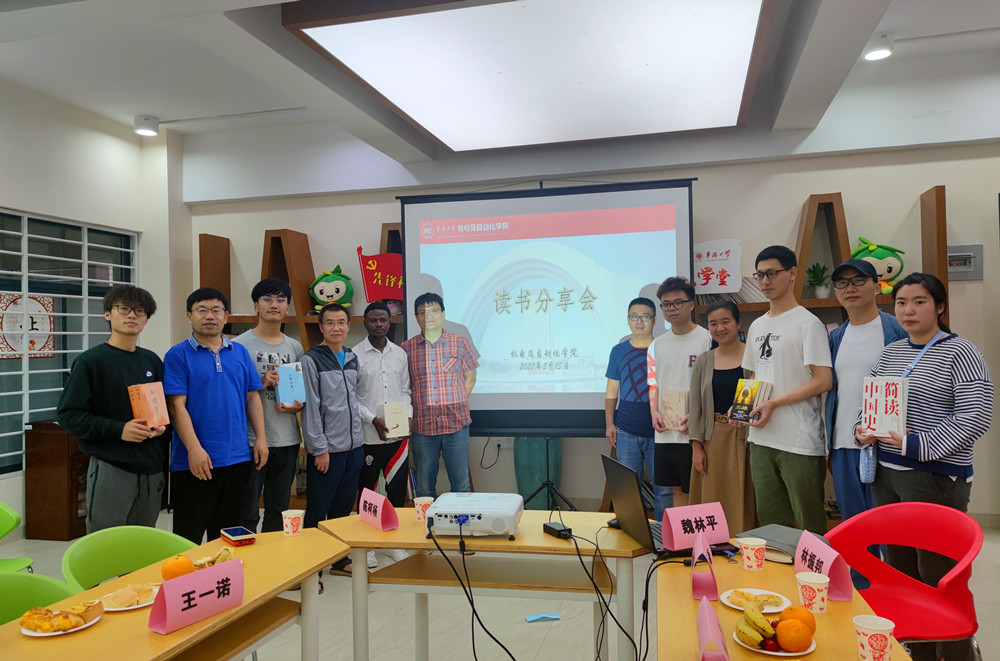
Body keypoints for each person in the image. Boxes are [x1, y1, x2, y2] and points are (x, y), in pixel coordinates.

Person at [856, 272, 992, 661]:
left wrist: (916, 444)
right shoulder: (891, 352)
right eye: (901, 303)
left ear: (940, 306)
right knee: (900, 572)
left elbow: (976, 415)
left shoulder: (961, 351)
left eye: (919, 302)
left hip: (934, 477)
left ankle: (955, 652)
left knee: (939, 574)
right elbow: (872, 404)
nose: (908, 310)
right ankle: (918, 651)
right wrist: (862, 429)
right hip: (886, 476)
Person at [56, 284, 167, 533]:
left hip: (150, 467)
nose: (132, 315)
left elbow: (160, 406)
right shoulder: (90, 361)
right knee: (107, 542)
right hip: (112, 466)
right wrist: (119, 430)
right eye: (124, 308)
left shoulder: (151, 360)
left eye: (139, 311)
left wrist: (161, 427)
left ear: (146, 319)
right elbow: (68, 415)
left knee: (143, 541)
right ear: (108, 314)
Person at [737, 246, 832, 535]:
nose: (765, 281)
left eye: (771, 273)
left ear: (792, 273)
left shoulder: (808, 323)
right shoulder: (757, 325)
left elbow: (823, 380)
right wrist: (741, 405)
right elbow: (755, 376)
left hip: (798, 440)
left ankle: (816, 568)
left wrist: (775, 403)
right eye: (759, 275)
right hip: (761, 438)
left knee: (810, 524)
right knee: (772, 524)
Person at [164, 287, 268, 544]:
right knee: (188, 538)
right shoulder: (177, 355)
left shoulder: (239, 352)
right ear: (189, 316)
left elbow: (252, 397)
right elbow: (177, 407)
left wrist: (261, 439)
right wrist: (194, 449)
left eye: (216, 310)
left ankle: (222, 573)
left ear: (226, 315)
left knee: (228, 537)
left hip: (237, 458)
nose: (209, 316)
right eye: (202, 310)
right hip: (195, 461)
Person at [825, 259, 905, 525]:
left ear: (877, 286)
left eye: (859, 280)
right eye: (842, 283)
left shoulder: (898, 329)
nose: (850, 288)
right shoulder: (835, 338)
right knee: (854, 525)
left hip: (887, 442)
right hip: (844, 443)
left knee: (888, 526)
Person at [233, 278, 304, 533]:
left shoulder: (294, 346)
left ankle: (273, 556)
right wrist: (261, 382)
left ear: (287, 308)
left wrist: (297, 406)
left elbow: (299, 392)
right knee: (247, 509)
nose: (274, 304)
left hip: (287, 439)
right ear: (256, 306)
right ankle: (246, 554)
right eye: (267, 299)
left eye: (280, 300)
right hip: (251, 440)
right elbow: (231, 394)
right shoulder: (239, 345)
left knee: (279, 508)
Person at [687, 301, 756, 532]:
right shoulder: (704, 361)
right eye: (713, 324)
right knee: (711, 497)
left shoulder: (752, 357)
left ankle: (742, 542)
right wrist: (697, 447)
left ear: (738, 323)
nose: (720, 328)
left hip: (746, 438)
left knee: (744, 496)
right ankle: (712, 545)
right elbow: (696, 406)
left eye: (726, 321)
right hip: (712, 438)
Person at [401, 293, 478, 498]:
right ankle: (427, 519)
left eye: (434, 310)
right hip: (423, 428)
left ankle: (459, 519)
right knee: (425, 488)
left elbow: (470, 377)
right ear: (416, 317)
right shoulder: (406, 348)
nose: (429, 316)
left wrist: (458, 400)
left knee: (460, 486)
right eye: (422, 312)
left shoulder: (459, 342)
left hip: (456, 425)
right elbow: (403, 385)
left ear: (443, 314)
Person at [353, 301, 412, 568]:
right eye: (373, 320)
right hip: (369, 436)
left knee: (396, 491)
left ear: (390, 322)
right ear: (365, 323)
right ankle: (368, 545)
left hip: (397, 438)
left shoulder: (399, 354)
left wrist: (408, 415)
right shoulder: (354, 355)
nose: (379, 324)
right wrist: (372, 419)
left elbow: (406, 390)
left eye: (383, 320)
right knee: (369, 492)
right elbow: (352, 397)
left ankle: (394, 542)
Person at [604, 297, 671, 521]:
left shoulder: (663, 349)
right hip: (626, 431)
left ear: (654, 320)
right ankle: (632, 532)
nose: (639, 321)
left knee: (664, 490)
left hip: (660, 431)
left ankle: (664, 534)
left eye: (645, 316)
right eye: (634, 316)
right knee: (628, 489)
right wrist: (610, 423)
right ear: (627, 320)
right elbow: (612, 390)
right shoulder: (618, 351)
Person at [647, 277, 711, 508]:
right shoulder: (657, 344)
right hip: (666, 431)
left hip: (695, 432)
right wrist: (653, 412)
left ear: (691, 304)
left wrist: (697, 417)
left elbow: (712, 386)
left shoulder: (707, 338)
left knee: (699, 490)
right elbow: (654, 384)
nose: (672, 308)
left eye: (678, 302)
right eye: (666, 304)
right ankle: (682, 533)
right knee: (676, 491)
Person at [300, 303, 364, 535]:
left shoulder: (352, 357)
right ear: (321, 327)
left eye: (341, 323)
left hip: (354, 449)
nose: (336, 328)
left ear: (348, 326)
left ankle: (340, 553)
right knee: (318, 511)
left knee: (343, 511)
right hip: (327, 451)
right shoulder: (311, 360)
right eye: (330, 323)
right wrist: (319, 449)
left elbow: (354, 400)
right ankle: (313, 555)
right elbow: (311, 408)